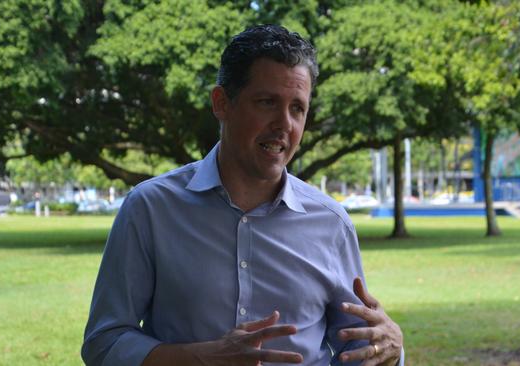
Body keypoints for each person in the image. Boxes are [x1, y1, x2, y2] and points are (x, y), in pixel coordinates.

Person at [81, 24, 404, 366]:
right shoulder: (150, 209)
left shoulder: (332, 223)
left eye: (297, 108)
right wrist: (202, 359)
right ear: (222, 103)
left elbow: (360, 348)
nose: (284, 124)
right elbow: (105, 342)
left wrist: (390, 350)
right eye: (267, 102)